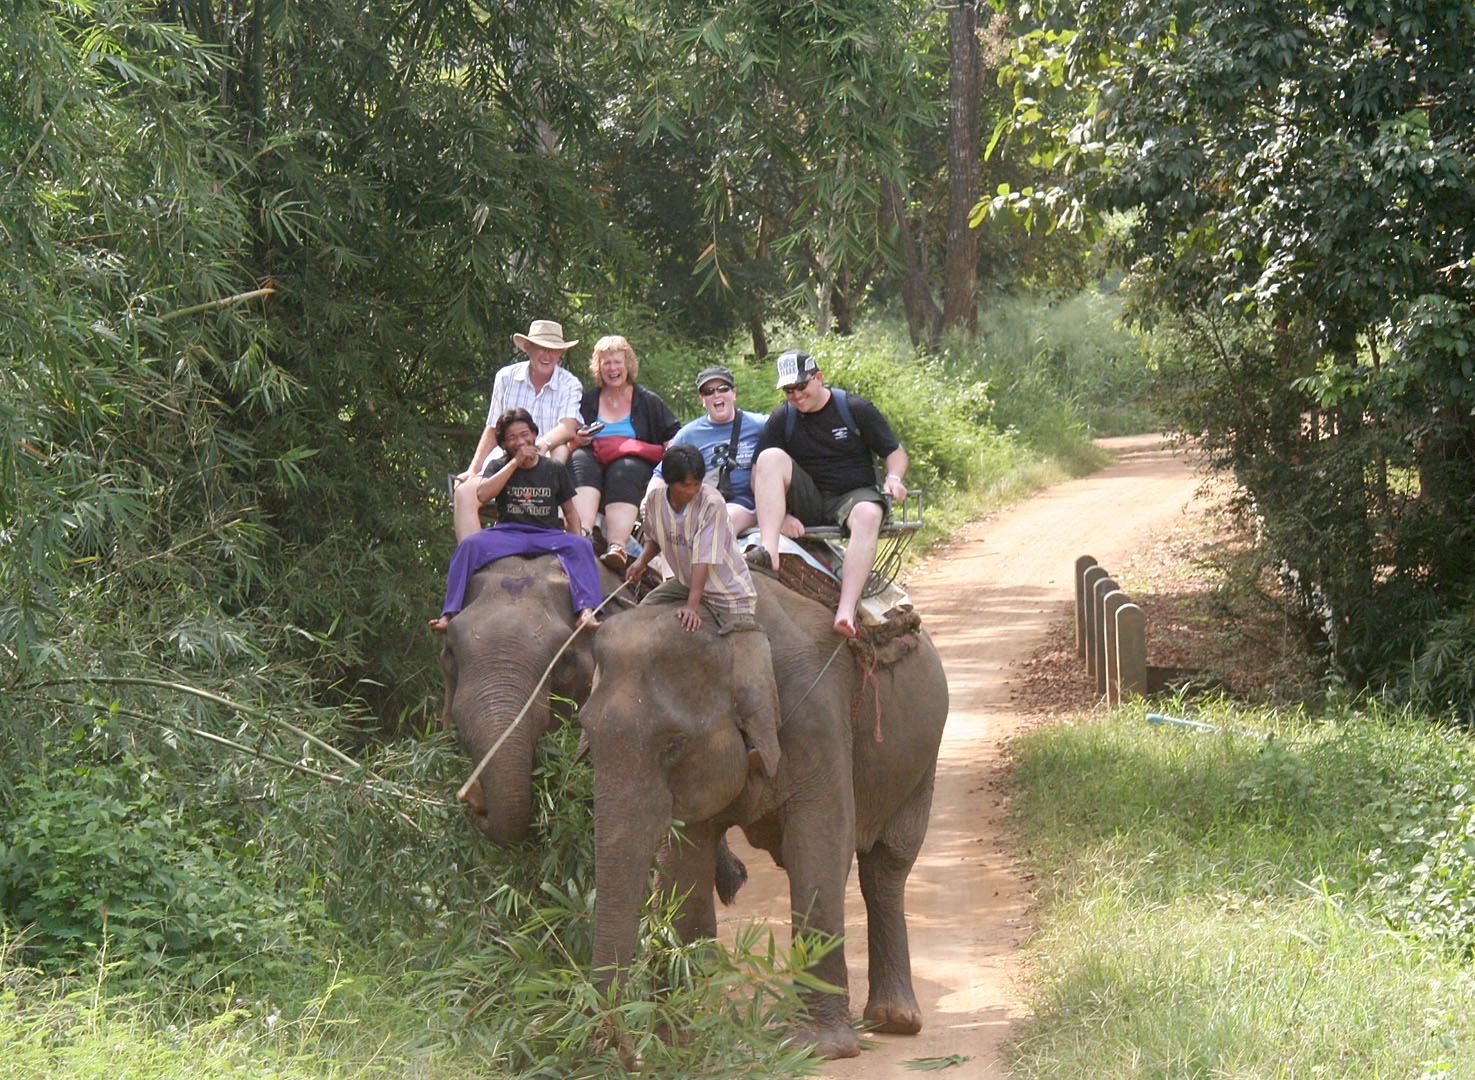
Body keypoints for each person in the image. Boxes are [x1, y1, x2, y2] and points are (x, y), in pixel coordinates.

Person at [750, 349, 908, 637]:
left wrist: (894, 478)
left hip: (853, 495)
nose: (796, 395)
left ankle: (846, 610)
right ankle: (768, 553)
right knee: (770, 457)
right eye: (788, 390)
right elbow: (759, 472)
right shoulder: (783, 417)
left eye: (801, 386)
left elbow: (895, 452)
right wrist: (783, 514)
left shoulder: (855, 408)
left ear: (818, 378)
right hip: (809, 498)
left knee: (869, 514)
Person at [626, 445, 780, 740]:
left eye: (698, 483)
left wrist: (693, 607)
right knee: (641, 612)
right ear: (670, 482)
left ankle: (759, 732)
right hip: (684, 580)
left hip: (725, 590)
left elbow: (703, 558)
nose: (693, 490)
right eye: (687, 485)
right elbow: (656, 537)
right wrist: (640, 562)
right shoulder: (656, 501)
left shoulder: (711, 502)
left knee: (747, 655)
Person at [432, 408, 601, 631]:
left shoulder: (554, 468)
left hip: (546, 535)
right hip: (508, 532)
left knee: (582, 545)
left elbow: (570, 512)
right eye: (512, 438)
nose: (520, 442)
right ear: (504, 444)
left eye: (524, 435)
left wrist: (574, 542)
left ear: (534, 435)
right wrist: (514, 464)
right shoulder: (499, 465)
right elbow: (483, 494)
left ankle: (587, 611)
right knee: (468, 546)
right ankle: (449, 613)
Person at [567, 335, 680, 571]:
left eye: (617, 362)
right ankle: (583, 532)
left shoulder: (647, 401)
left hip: (631, 464)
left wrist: (630, 446)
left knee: (624, 469)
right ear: (598, 368)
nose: (612, 368)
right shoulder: (587, 400)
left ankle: (617, 544)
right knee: (579, 459)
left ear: (628, 364)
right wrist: (578, 439)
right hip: (592, 457)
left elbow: (674, 437)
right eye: (606, 363)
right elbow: (570, 434)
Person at [653, 364, 766, 534]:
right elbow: (661, 472)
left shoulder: (759, 424)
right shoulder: (688, 434)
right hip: (702, 501)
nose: (716, 394)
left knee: (719, 523)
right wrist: (650, 500)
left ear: (733, 394)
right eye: (709, 391)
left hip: (744, 503)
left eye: (723, 388)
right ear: (702, 400)